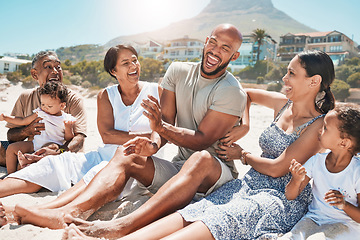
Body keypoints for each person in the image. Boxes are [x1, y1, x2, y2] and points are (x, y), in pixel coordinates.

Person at [64, 49, 336, 240]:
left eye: (291, 74)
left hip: (280, 196)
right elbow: (246, 96)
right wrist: (245, 125)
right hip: (249, 184)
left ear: (314, 81)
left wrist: (243, 154)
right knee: (198, 209)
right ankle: (119, 229)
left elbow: (278, 168)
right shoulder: (282, 103)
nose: (284, 79)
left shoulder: (317, 125)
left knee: (221, 218)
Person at [1, 23, 247, 232]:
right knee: (121, 154)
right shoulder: (177, 71)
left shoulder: (230, 90)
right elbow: (165, 125)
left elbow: (200, 139)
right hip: (178, 168)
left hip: (215, 172)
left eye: (225, 48)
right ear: (206, 41)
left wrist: (244, 124)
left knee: (200, 158)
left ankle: (120, 227)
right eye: (213, 42)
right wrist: (152, 143)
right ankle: (59, 213)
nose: (215, 51)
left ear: (234, 56)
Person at [0, 44, 161, 218]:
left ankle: (38, 211)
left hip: (129, 161)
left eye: (135, 61)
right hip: (95, 154)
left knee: (91, 170)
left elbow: (161, 133)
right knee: (56, 163)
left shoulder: (156, 91)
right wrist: (28, 130)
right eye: (126, 63)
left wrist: (59, 150)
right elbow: (107, 135)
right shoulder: (106, 95)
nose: (133, 66)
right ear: (113, 71)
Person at [280, 103, 360, 240]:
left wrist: (344, 205)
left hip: (345, 226)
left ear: (344, 143)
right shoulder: (316, 161)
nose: (319, 131)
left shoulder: (357, 171)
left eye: (325, 128)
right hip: (313, 220)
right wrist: (296, 180)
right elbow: (290, 195)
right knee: (289, 238)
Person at [0, 51, 87, 167]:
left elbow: (79, 139)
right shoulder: (26, 97)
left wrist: (57, 152)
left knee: (36, 161)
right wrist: (27, 131)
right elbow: (11, 136)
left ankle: (26, 166)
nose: (55, 71)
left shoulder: (73, 99)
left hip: (61, 153)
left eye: (58, 67)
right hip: (32, 148)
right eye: (48, 67)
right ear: (34, 74)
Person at [1, 81, 76, 173]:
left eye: (49, 106)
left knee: (50, 148)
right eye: (42, 104)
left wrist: (68, 128)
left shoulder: (66, 119)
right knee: (11, 148)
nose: (45, 108)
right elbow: (23, 120)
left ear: (62, 105)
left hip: (52, 146)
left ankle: (29, 160)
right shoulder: (40, 112)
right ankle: (10, 174)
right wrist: (6, 118)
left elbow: (68, 139)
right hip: (35, 143)